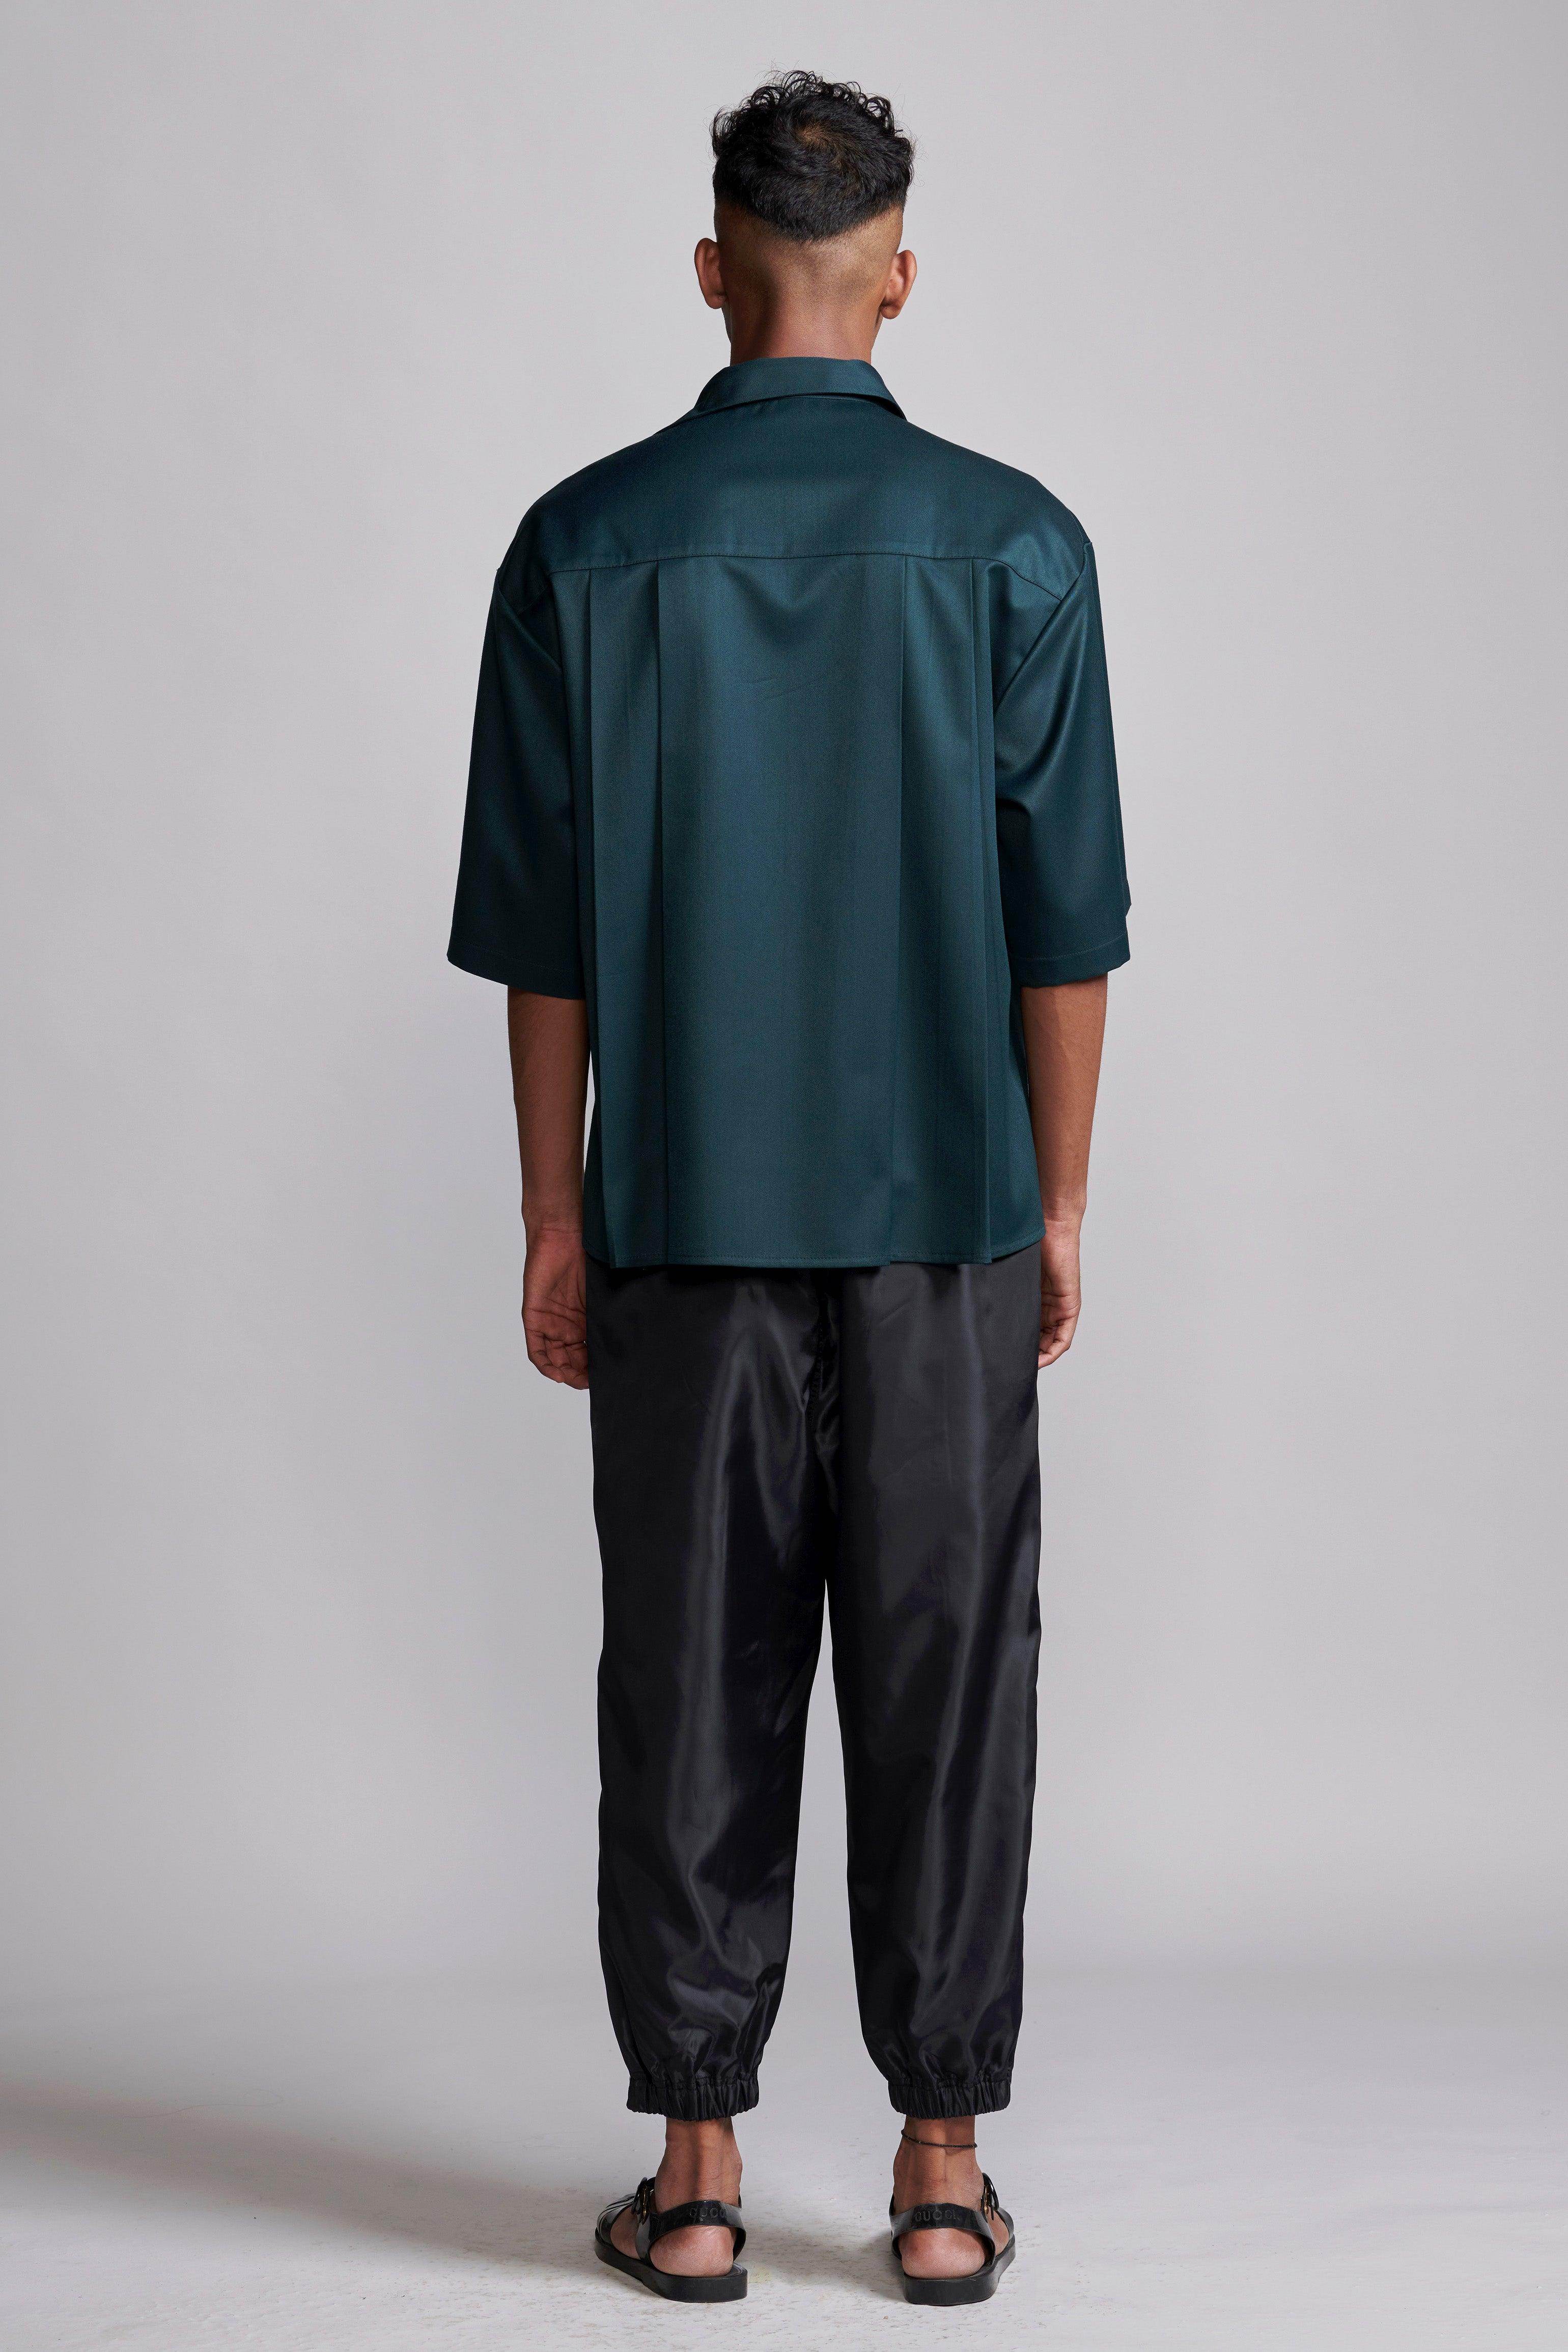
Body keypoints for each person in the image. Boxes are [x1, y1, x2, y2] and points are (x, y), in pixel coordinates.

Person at [447, 70, 1129, 2309]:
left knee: (688, 1679)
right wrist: (1058, 1202)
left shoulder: (580, 545)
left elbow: (543, 934)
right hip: (943, 1218)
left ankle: (697, 2172)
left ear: (711, 270)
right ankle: (938, 2174)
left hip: (681, 1220)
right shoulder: (1017, 546)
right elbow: (1063, 929)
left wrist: (552, 1215)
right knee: (950, 1678)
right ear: (896, 277)